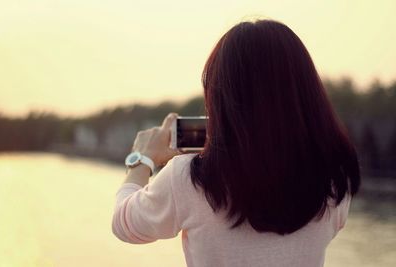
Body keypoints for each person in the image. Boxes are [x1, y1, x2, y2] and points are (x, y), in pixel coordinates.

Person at [111, 19, 360, 267]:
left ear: (220, 98)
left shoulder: (188, 178)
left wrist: (141, 159)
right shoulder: (335, 181)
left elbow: (124, 224)